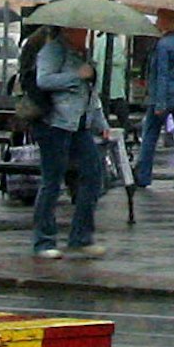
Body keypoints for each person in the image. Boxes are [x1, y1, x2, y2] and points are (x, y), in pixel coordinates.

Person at [24, 24, 106, 259]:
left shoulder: (83, 55)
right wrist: (75, 76)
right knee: (52, 181)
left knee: (93, 175)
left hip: (79, 124)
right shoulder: (53, 50)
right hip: (55, 124)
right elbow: (44, 80)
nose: (85, 34)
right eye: (82, 31)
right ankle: (43, 240)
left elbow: (91, 94)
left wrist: (101, 124)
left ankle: (81, 236)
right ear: (68, 31)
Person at [132, 14, 174, 196]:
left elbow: (162, 75)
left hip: (166, 95)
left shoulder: (163, 45)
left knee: (150, 135)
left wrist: (159, 102)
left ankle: (143, 174)